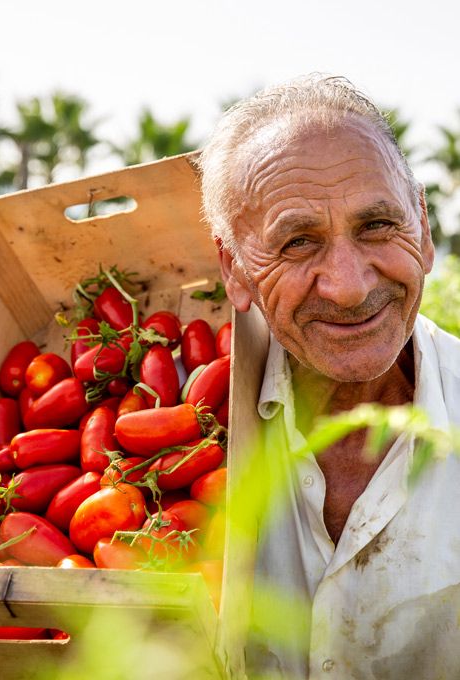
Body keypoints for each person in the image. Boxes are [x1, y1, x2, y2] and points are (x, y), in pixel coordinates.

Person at [198, 75, 460, 679]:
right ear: (233, 270)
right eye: (297, 242)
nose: (351, 285)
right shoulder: (187, 437)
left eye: (376, 226)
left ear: (420, 224)